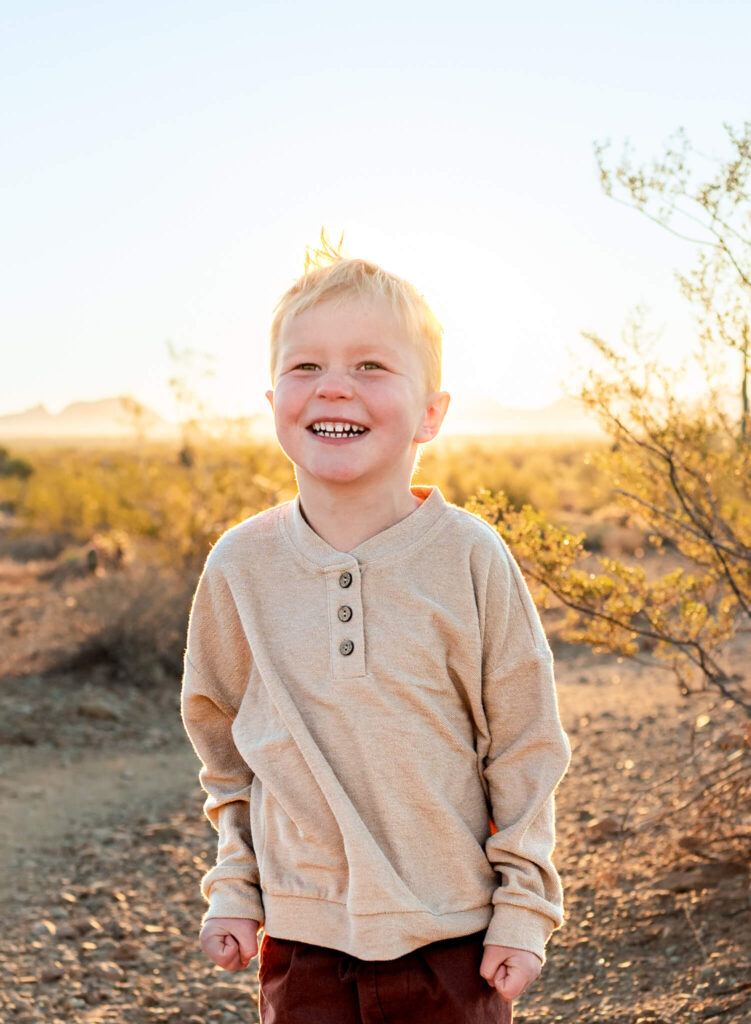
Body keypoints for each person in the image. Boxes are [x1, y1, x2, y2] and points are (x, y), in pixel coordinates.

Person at [180, 245, 571, 1024]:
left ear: (431, 412)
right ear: (272, 402)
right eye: (306, 367)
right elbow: (225, 754)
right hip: (302, 940)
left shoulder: (467, 556)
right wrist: (235, 885)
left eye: (369, 366)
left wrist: (524, 910)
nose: (333, 385)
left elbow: (526, 745)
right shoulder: (240, 567)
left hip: (452, 938)